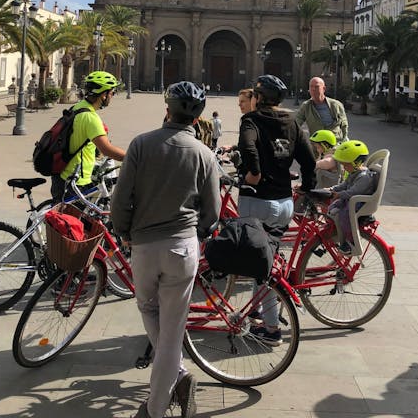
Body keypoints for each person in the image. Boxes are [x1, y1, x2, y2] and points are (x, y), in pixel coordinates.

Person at [111, 81, 221, 418]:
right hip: (183, 247)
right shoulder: (204, 154)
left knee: (147, 307)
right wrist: (197, 233)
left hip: (143, 246)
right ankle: (179, 377)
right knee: (173, 331)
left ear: (167, 109)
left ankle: (154, 410)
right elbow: (213, 210)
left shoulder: (141, 145)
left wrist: (124, 233)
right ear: (198, 118)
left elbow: (120, 199)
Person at [238, 74, 316, 344]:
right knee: (263, 260)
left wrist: (255, 173)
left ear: (258, 98)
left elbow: (248, 146)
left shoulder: (252, 120)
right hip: (284, 203)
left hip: (257, 201)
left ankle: (271, 329)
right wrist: (308, 186)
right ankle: (258, 313)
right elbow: (308, 158)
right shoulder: (292, 122)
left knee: (260, 265)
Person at [51, 70, 126, 204]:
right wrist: (134, 158)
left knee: (63, 220)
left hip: (63, 174)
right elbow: (107, 149)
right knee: (71, 223)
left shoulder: (77, 107)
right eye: (112, 93)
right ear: (104, 95)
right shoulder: (90, 117)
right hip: (76, 180)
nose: (112, 96)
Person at [327, 140, 376, 254]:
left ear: (356, 162)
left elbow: (353, 192)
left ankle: (351, 241)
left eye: (346, 164)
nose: (344, 167)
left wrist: (339, 194)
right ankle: (336, 232)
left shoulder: (364, 177)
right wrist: (333, 189)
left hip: (359, 203)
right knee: (332, 207)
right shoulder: (354, 172)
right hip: (350, 200)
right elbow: (344, 185)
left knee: (344, 216)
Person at [295, 76, 349, 144]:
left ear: (324, 89)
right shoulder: (306, 106)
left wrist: (343, 141)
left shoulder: (336, 105)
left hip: (335, 143)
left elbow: (344, 125)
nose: (313, 89)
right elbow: (296, 123)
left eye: (317, 87)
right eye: (311, 87)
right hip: (318, 146)